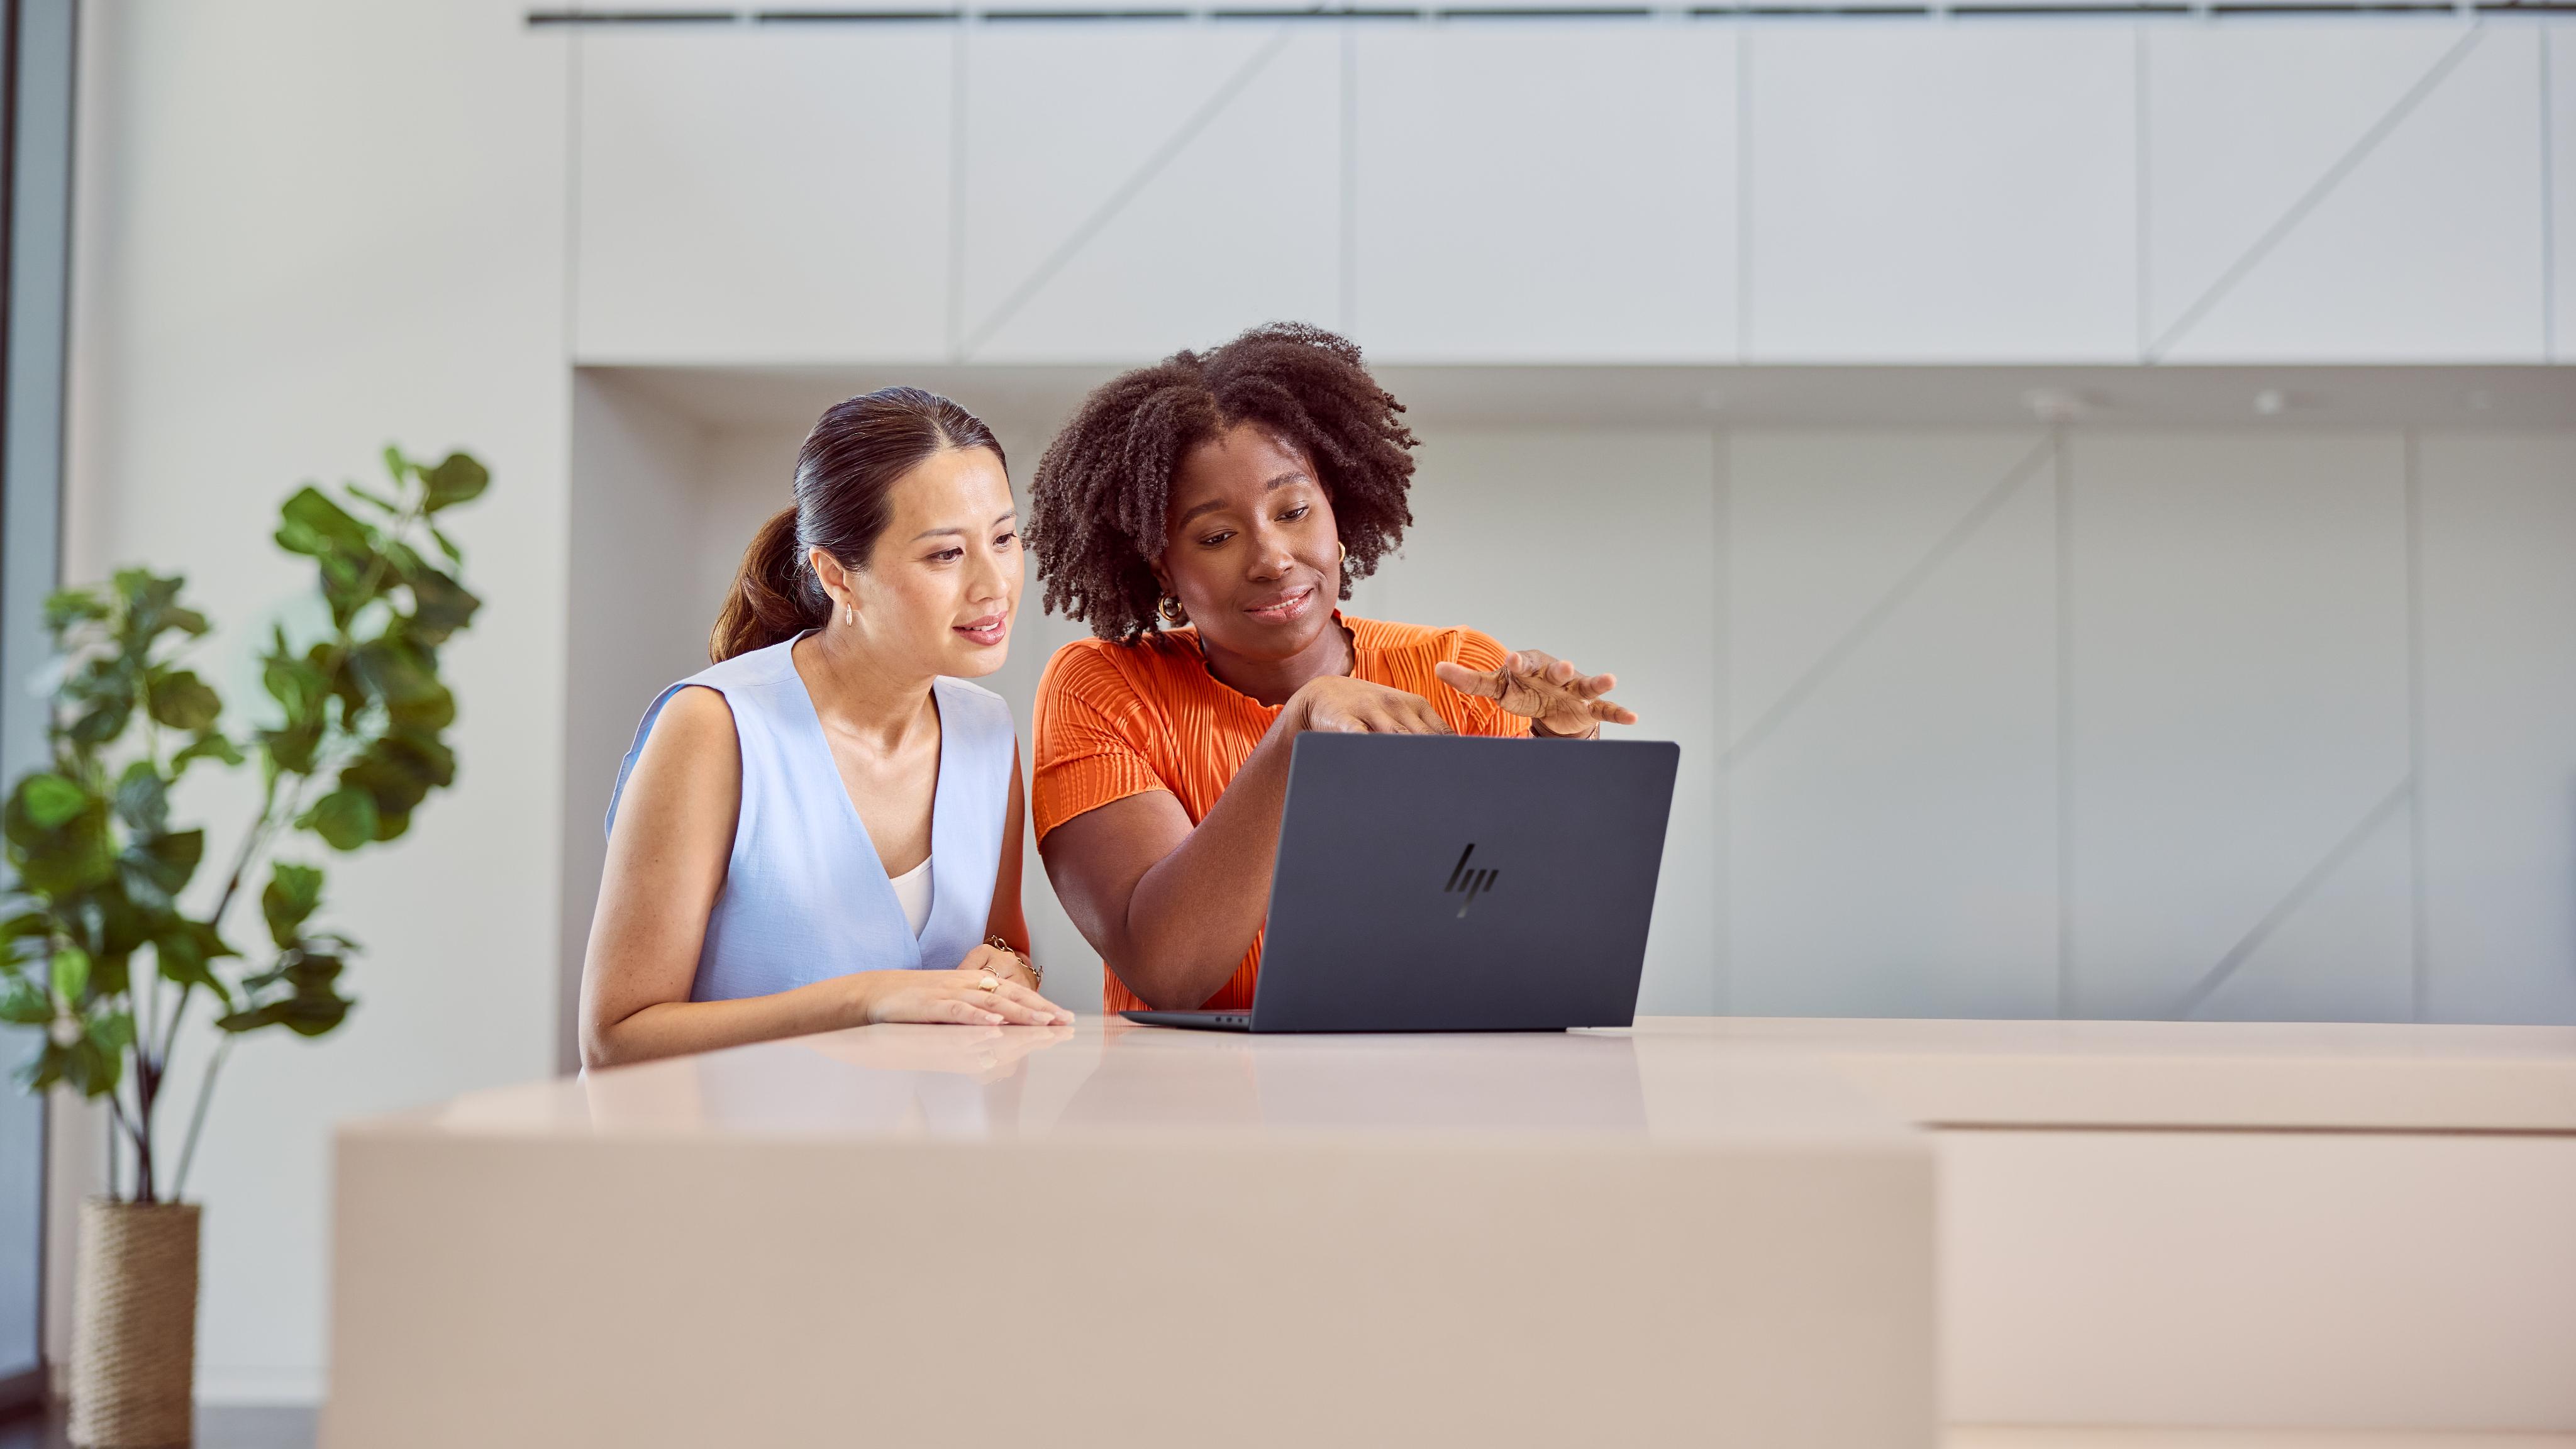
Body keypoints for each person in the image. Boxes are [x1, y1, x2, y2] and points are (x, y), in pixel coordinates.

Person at [1025, 324, 1638, 1014]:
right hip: (1197, 1106)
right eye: (1218, 536)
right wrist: (1298, 728)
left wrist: (1567, 751)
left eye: (1293, 511)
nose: (1272, 557)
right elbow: (1170, 970)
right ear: (1161, 564)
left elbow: (1545, 941)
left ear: (1337, 514)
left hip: (1429, 1095)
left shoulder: (1457, 670)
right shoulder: (1106, 687)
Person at [580, 387, 1072, 1069]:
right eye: (944, 555)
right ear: (837, 574)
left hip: (924, 1162)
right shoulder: (715, 727)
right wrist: (865, 1000)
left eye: (1003, 538)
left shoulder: (987, 729)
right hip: (732, 1167)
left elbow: (1006, 951)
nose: (994, 584)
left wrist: (1005, 976)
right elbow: (616, 1037)